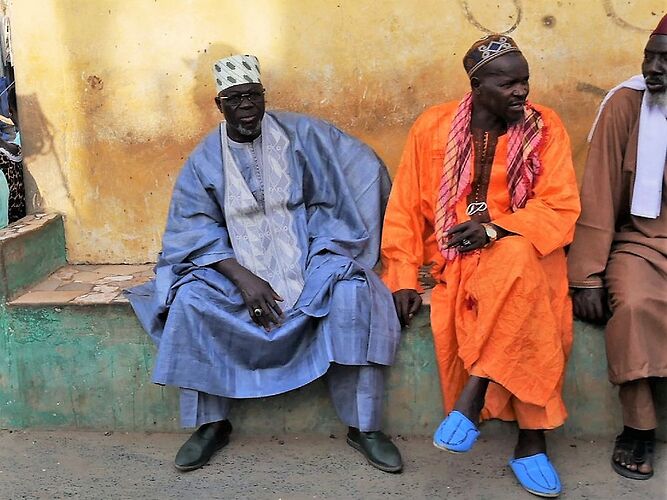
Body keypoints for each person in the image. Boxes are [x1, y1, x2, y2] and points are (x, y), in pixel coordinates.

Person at [127, 55, 403, 473]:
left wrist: (321, 255)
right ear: (218, 104)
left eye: (253, 97)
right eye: (235, 99)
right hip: (235, 269)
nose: (246, 107)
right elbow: (192, 230)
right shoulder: (205, 159)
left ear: (264, 97)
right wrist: (243, 279)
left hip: (307, 257)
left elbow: (332, 203)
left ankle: (364, 426)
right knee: (189, 301)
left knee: (353, 292)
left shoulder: (300, 137)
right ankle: (210, 424)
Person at [381, 35, 580, 497]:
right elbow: (406, 206)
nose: (521, 92)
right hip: (453, 256)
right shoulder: (433, 126)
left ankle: (475, 395)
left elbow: (560, 206)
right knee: (523, 299)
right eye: (508, 83)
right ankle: (531, 444)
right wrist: (404, 274)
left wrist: (495, 229)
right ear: (477, 84)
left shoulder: (546, 127)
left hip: (530, 247)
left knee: (518, 265)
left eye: (525, 81)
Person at [568, 14, 667, 481]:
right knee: (631, 305)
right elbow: (599, 192)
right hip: (640, 243)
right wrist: (586, 276)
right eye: (650, 56)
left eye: (666, 60)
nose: (655, 69)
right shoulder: (625, 105)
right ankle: (638, 428)